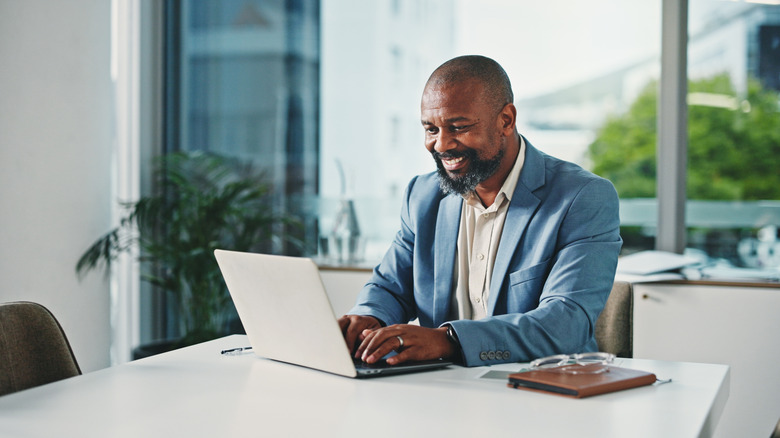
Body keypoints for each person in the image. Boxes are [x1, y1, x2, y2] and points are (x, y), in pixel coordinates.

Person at [337, 55, 622, 367]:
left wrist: (449, 340)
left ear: (506, 120)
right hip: (440, 385)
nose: (441, 144)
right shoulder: (422, 195)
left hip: (541, 384)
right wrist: (368, 319)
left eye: (458, 127)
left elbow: (565, 324)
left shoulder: (582, 197)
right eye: (431, 129)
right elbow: (391, 287)